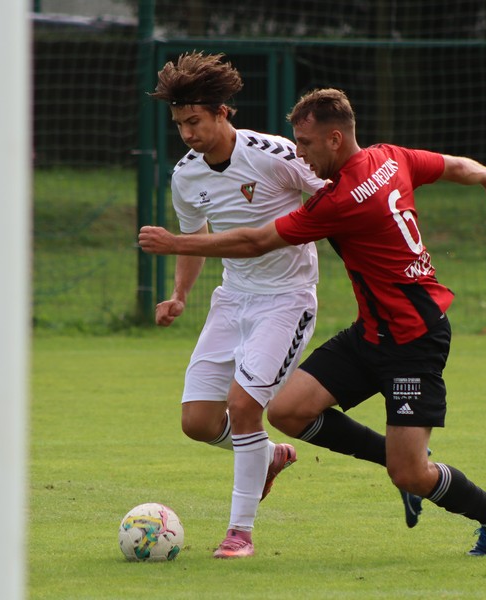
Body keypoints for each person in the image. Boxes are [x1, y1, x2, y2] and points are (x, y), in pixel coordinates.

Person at [140, 88, 486, 556]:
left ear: (335, 139)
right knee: (286, 412)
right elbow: (453, 165)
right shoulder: (391, 156)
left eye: (305, 143)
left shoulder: (340, 201)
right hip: (371, 331)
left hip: (413, 338)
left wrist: (175, 243)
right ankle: (388, 459)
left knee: (409, 473)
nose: (298, 153)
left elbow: (256, 242)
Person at [147, 52, 323, 559]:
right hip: (231, 299)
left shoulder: (275, 153)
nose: (187, 133)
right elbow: (193, 236)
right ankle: (266, 456)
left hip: (286, 301)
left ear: (222, 112)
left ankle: (239, 533)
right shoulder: (186, 175)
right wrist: (180, 295)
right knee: (198, 422)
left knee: (244, 407)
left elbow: (336, 197)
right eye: (180, 124)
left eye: (194, 121)